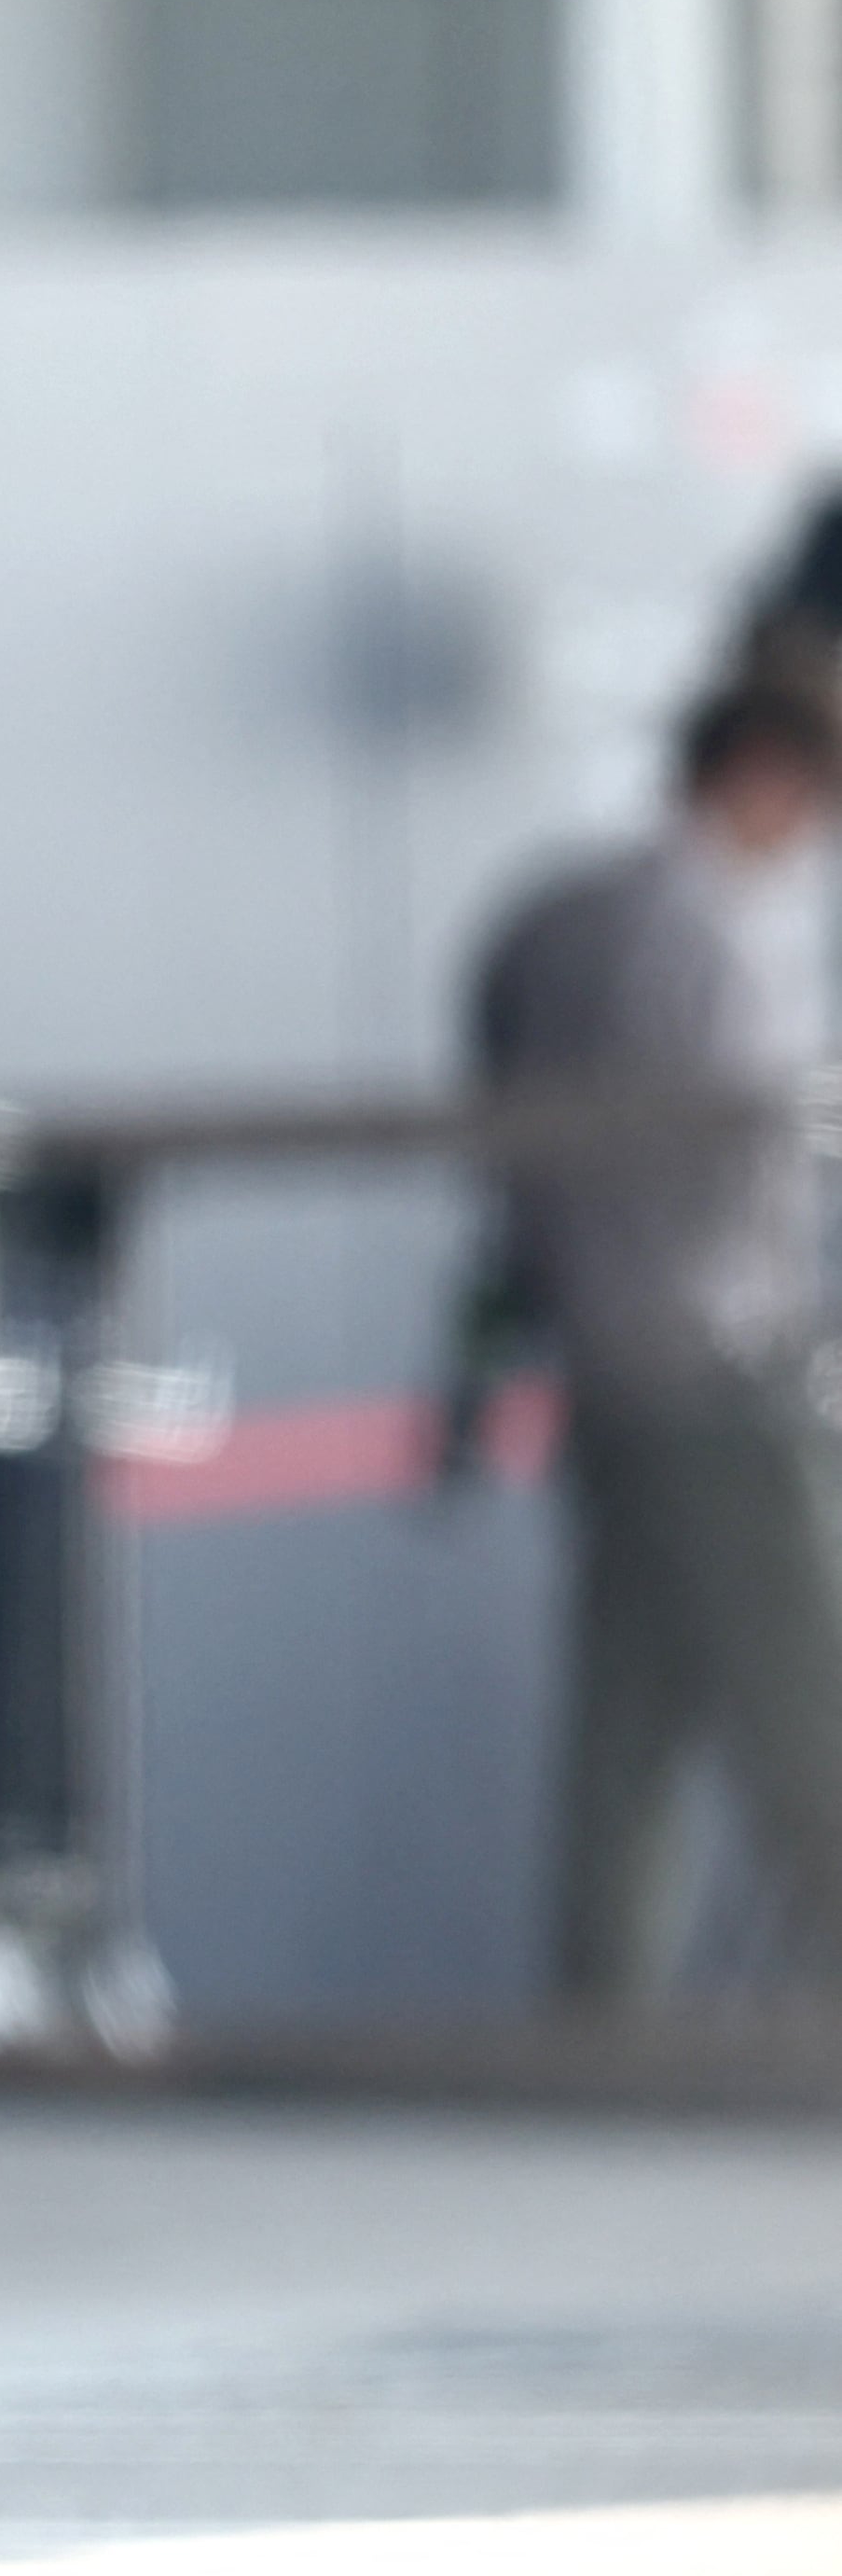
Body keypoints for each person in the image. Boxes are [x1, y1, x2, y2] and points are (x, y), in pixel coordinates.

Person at [474, 677, 842, 2005]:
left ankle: (598, 2017)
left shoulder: (554, 916)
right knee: (808, 1708)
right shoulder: (702, 930)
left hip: (603, 1360)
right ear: (761, 772)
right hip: (715, 1365)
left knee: (624, 1724)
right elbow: (744, 1143)